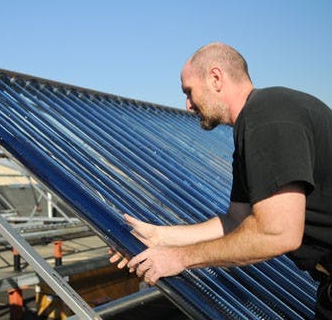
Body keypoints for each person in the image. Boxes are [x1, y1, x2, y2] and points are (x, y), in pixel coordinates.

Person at [110, 43, 332, 319]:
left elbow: (278, 233)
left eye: (189, 91)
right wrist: (160, 237)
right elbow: (236, 220)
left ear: (215, 78)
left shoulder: (267, 118)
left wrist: (179, 258)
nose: (188, 105)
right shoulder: (254, 124)